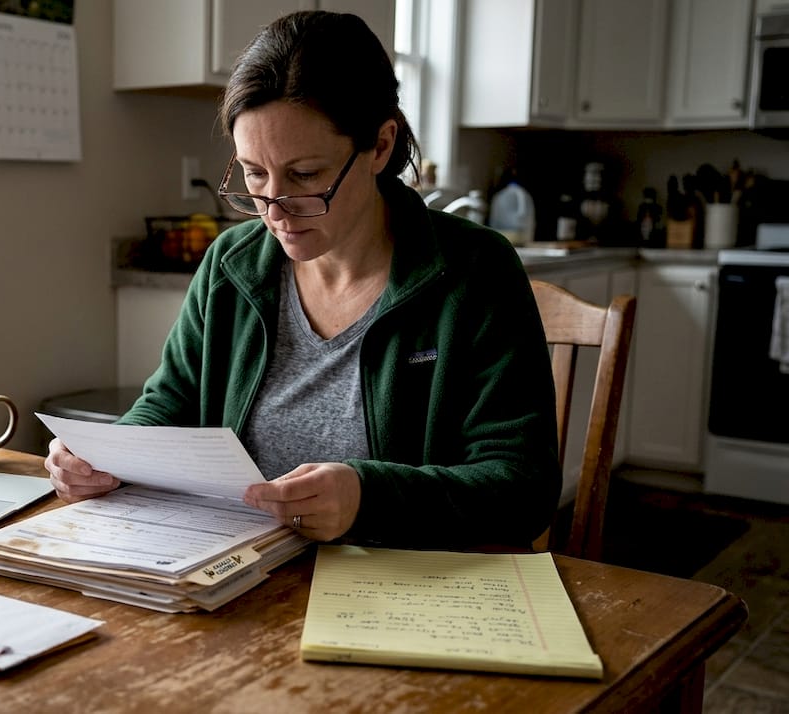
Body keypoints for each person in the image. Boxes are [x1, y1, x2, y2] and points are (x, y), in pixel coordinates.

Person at [46, 10, 560, 550]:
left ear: (380, 146)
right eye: (253, 172)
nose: (274, 209)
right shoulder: (232, 265)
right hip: (241, 576)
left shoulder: (475, 273)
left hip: (403, 588)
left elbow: (522, 490)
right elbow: (170, 403)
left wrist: (368, 496)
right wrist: (104, 456)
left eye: (305, 176)